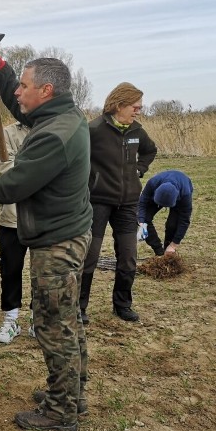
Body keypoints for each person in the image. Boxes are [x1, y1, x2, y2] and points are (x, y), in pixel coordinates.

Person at [0, 55, 91, 431]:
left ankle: (61, 412)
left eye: (24, 85)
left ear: (47, 90)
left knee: (53, 324)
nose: (17, 92)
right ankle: (72, 393)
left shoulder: (53, 135)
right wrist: (0, 69)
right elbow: (20, 106)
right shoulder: (60, 116)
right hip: (66, 231)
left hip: (57, 243)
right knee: (68, 320)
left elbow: (11, 187)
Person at [78, 83, 157, 324]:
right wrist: (90, 179)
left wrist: (138, 171)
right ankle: (79, 309)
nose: (138, 112)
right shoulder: (94, 129)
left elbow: (150, 151)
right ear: (120, 104)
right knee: (89, 256)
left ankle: (122, 305)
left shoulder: (136, 131)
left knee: (128, 257)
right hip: (98, 202)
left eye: (140, 108)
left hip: (129, 203)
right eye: (135, 107)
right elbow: (77, 158)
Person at [0, 121, 32, 344]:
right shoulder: (6, 132)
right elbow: (7, 169)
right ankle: (11, 319)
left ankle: (39, 317)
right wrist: (38, 168)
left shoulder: (51, 127)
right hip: (12, 216)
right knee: (10, 269)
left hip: (44, 217)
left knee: (43, 270)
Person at [137, 170, 193, 256]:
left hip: (180, 193)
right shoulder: (152, 183)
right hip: (156, 194)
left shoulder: (185, 194)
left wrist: (174, 244)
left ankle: (168, 251)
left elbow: (184, 221)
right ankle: (159, 251)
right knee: (144, 219)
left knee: (172, 225)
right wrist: (141, 222)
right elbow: (142, 203)